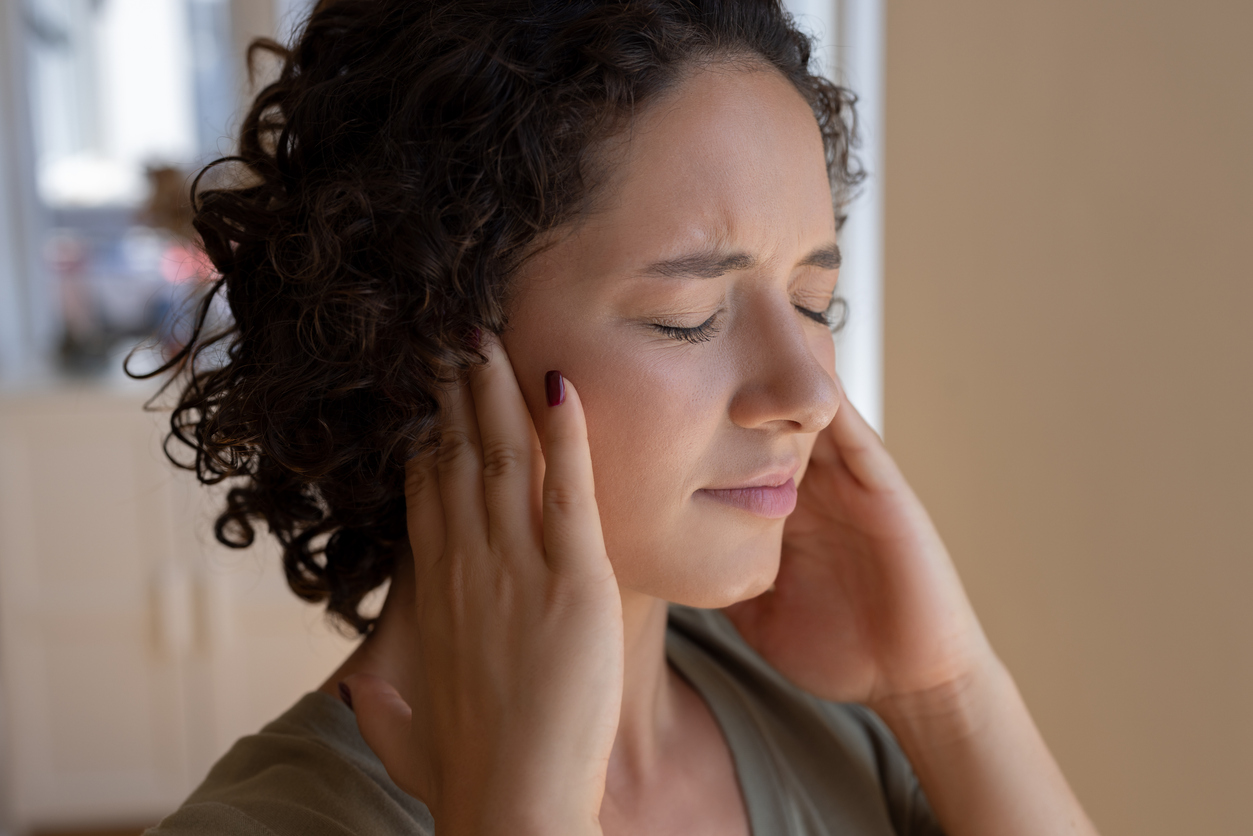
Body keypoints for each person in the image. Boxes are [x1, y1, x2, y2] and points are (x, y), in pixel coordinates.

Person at [141, 1, 1100, 834]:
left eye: (815, 303)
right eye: (685, 319)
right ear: (418, 340)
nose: (809, 396)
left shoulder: (832, 712)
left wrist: (948, 698)